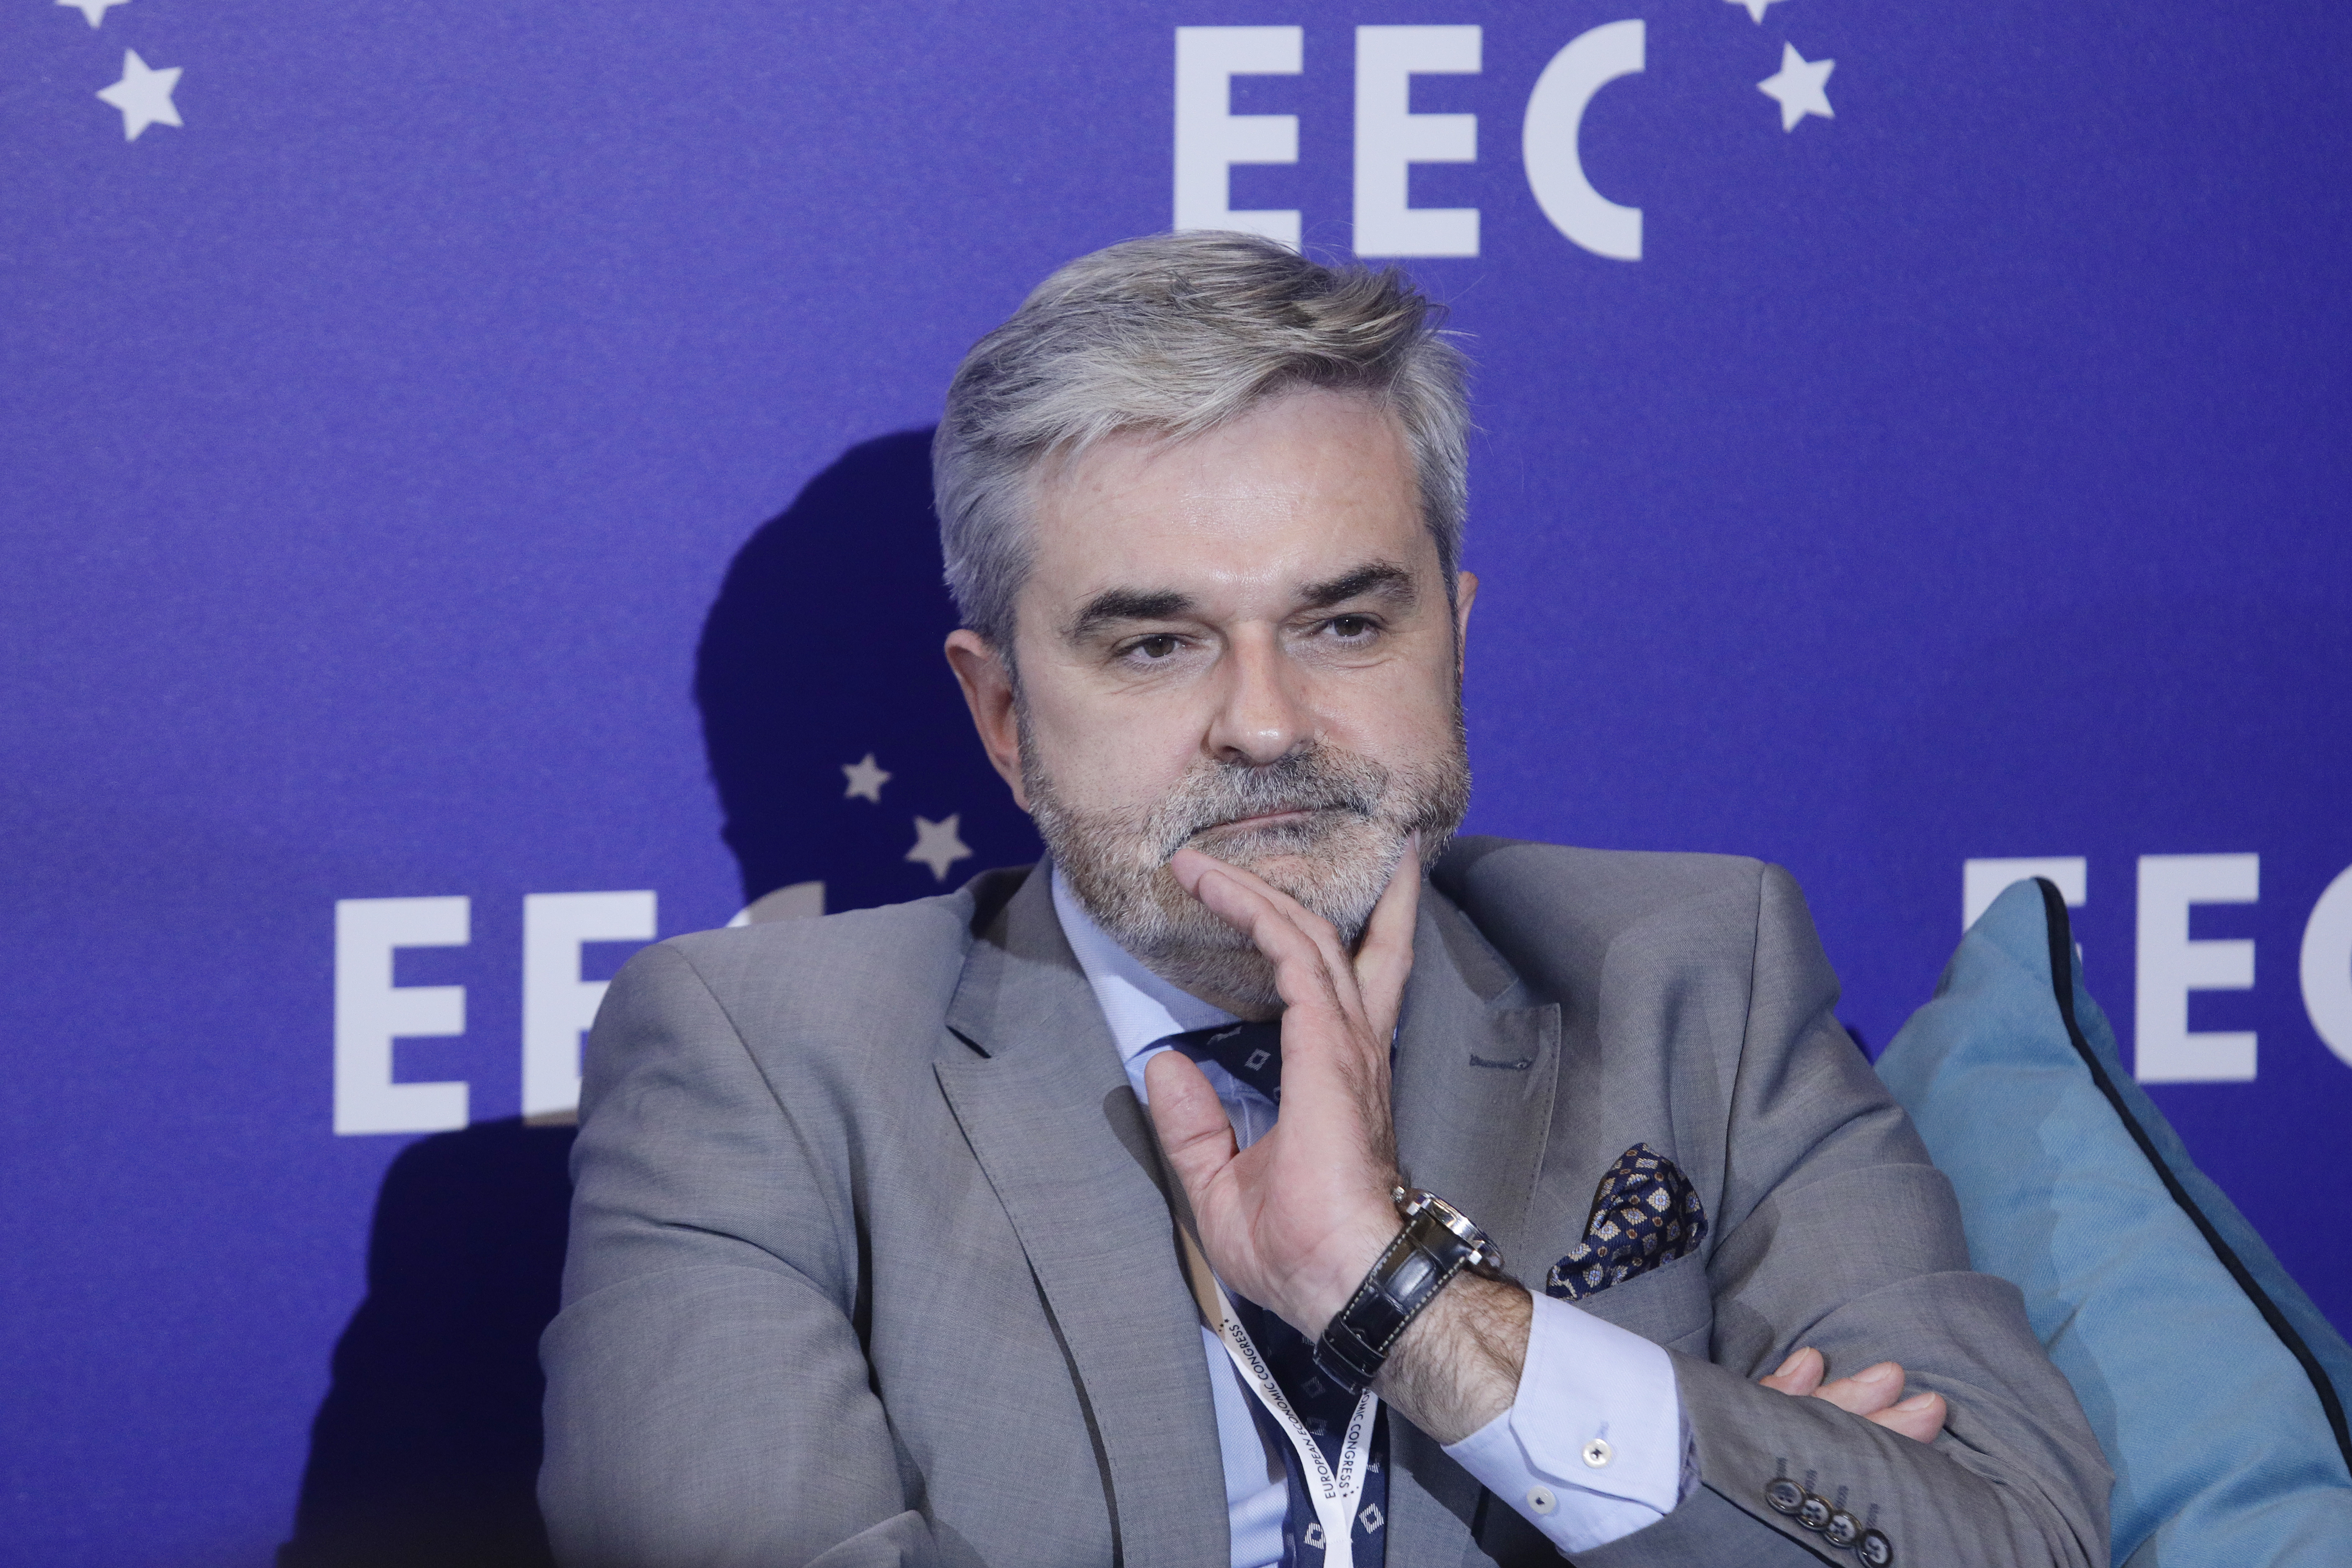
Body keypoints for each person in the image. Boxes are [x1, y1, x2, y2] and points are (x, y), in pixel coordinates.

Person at [539, 233, 2110, 1568]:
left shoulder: (1694, 977)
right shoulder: (763, 1066)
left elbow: (1999, 1534)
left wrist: (1419, 1308)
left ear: (1454, 637)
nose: (1268, 722)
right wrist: (1697, 1468)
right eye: (1154, 643)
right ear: (1002, 716)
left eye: (1347, 623)